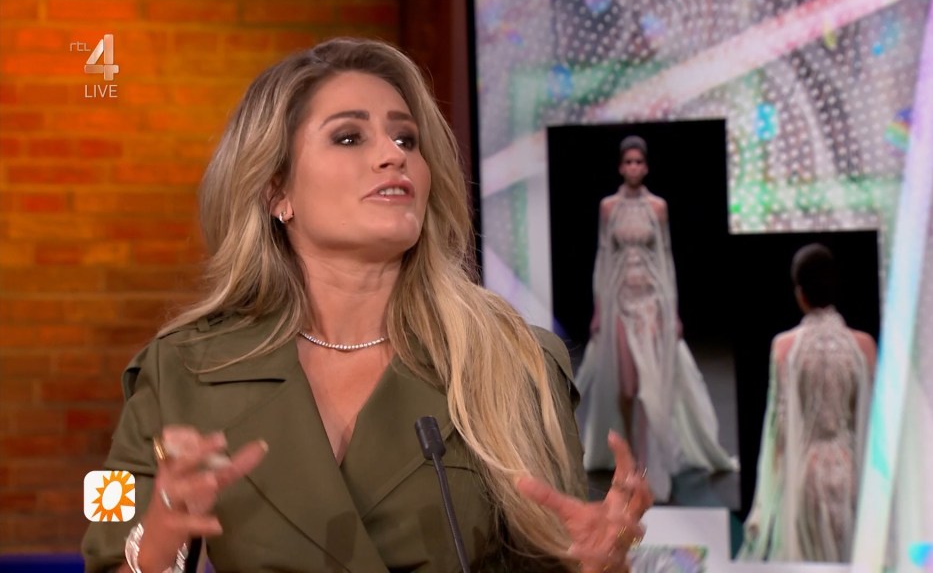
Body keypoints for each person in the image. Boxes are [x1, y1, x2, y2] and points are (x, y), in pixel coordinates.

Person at [81, 38, 653, 573]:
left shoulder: (519, 360)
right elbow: (104, 534)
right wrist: (156, 540)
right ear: (277, 190)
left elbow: (558, 551)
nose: (391, 155)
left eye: (406, 139)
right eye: (350, 137)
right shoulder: (173, 367)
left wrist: (596, 563)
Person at [573, 135, 737, 504]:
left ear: (645, 167)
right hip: (618, 302)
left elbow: (666, 260)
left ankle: (644, 464)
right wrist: (599, 309)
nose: (633, 167)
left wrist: (672, 312)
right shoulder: (608, 208)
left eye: (638, 162)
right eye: (627, 162)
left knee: (649, 387)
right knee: (626, 388)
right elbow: (603, 258)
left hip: (651, 303)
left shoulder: (658, 208)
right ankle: (628, 454)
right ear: (621, 167)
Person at [738, 243, 876, 562]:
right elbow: (869, 425)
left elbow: (779, 431)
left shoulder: (783, 347)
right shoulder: (865, 346)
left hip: (806, 474)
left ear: (800, 294)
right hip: (850, 473)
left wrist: (769, 502)